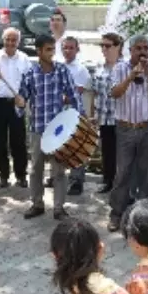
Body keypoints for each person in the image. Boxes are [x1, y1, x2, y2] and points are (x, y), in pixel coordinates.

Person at [14, 35, 82, 221]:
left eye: (53, 49)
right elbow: (21, 101)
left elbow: (73, 96)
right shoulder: (30, 73)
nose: (52, 53)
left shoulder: (61, 70)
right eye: (48, 49)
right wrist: (19, 104)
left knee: (59, 170)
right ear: (38, 51)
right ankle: (37, 204)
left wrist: (79, 119)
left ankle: (59, 208)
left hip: (58, 131)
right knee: (36, 170)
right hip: (37, 129)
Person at [107, 35, 148, 232]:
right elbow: (114, 93)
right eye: (138, 48)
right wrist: (131, 76)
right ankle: (117, 213)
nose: (143, 52)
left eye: (146, 48)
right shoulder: (119, 68)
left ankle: (146, 218)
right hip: (125, 128)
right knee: (123, 172)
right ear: (130, 50)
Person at [0, 28, 30, 189]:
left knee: (18, 141)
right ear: (3, 39)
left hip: (16, 103)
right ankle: (3, 176)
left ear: (18, 42)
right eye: (7, 39)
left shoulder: (24, 59)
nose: (10, 42)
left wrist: (24, 98)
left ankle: (21, 175)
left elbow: (28, 82)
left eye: (13, 40)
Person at [89, 33, 122, 194]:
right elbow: (95, 93)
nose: (104, 49)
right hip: (104, 117)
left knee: (122, 153)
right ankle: (108, 180)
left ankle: (121, 184)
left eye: (108, 45)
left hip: (121, 118)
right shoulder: (99, 68)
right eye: (102, 45)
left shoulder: (124, 68)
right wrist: (93, 115)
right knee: (107, 152)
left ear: (118, 47)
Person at [60, 36, 91, 196]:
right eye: (65, 47)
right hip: (59, 114)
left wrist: (55, 96)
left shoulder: (80, 69)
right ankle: (57, 178)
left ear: (77, 50)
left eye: (71, 48)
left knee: (76, 149)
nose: (67, 50)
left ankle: (76, 182)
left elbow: (75, 92)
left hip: (75, 114)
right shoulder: (57, 66)